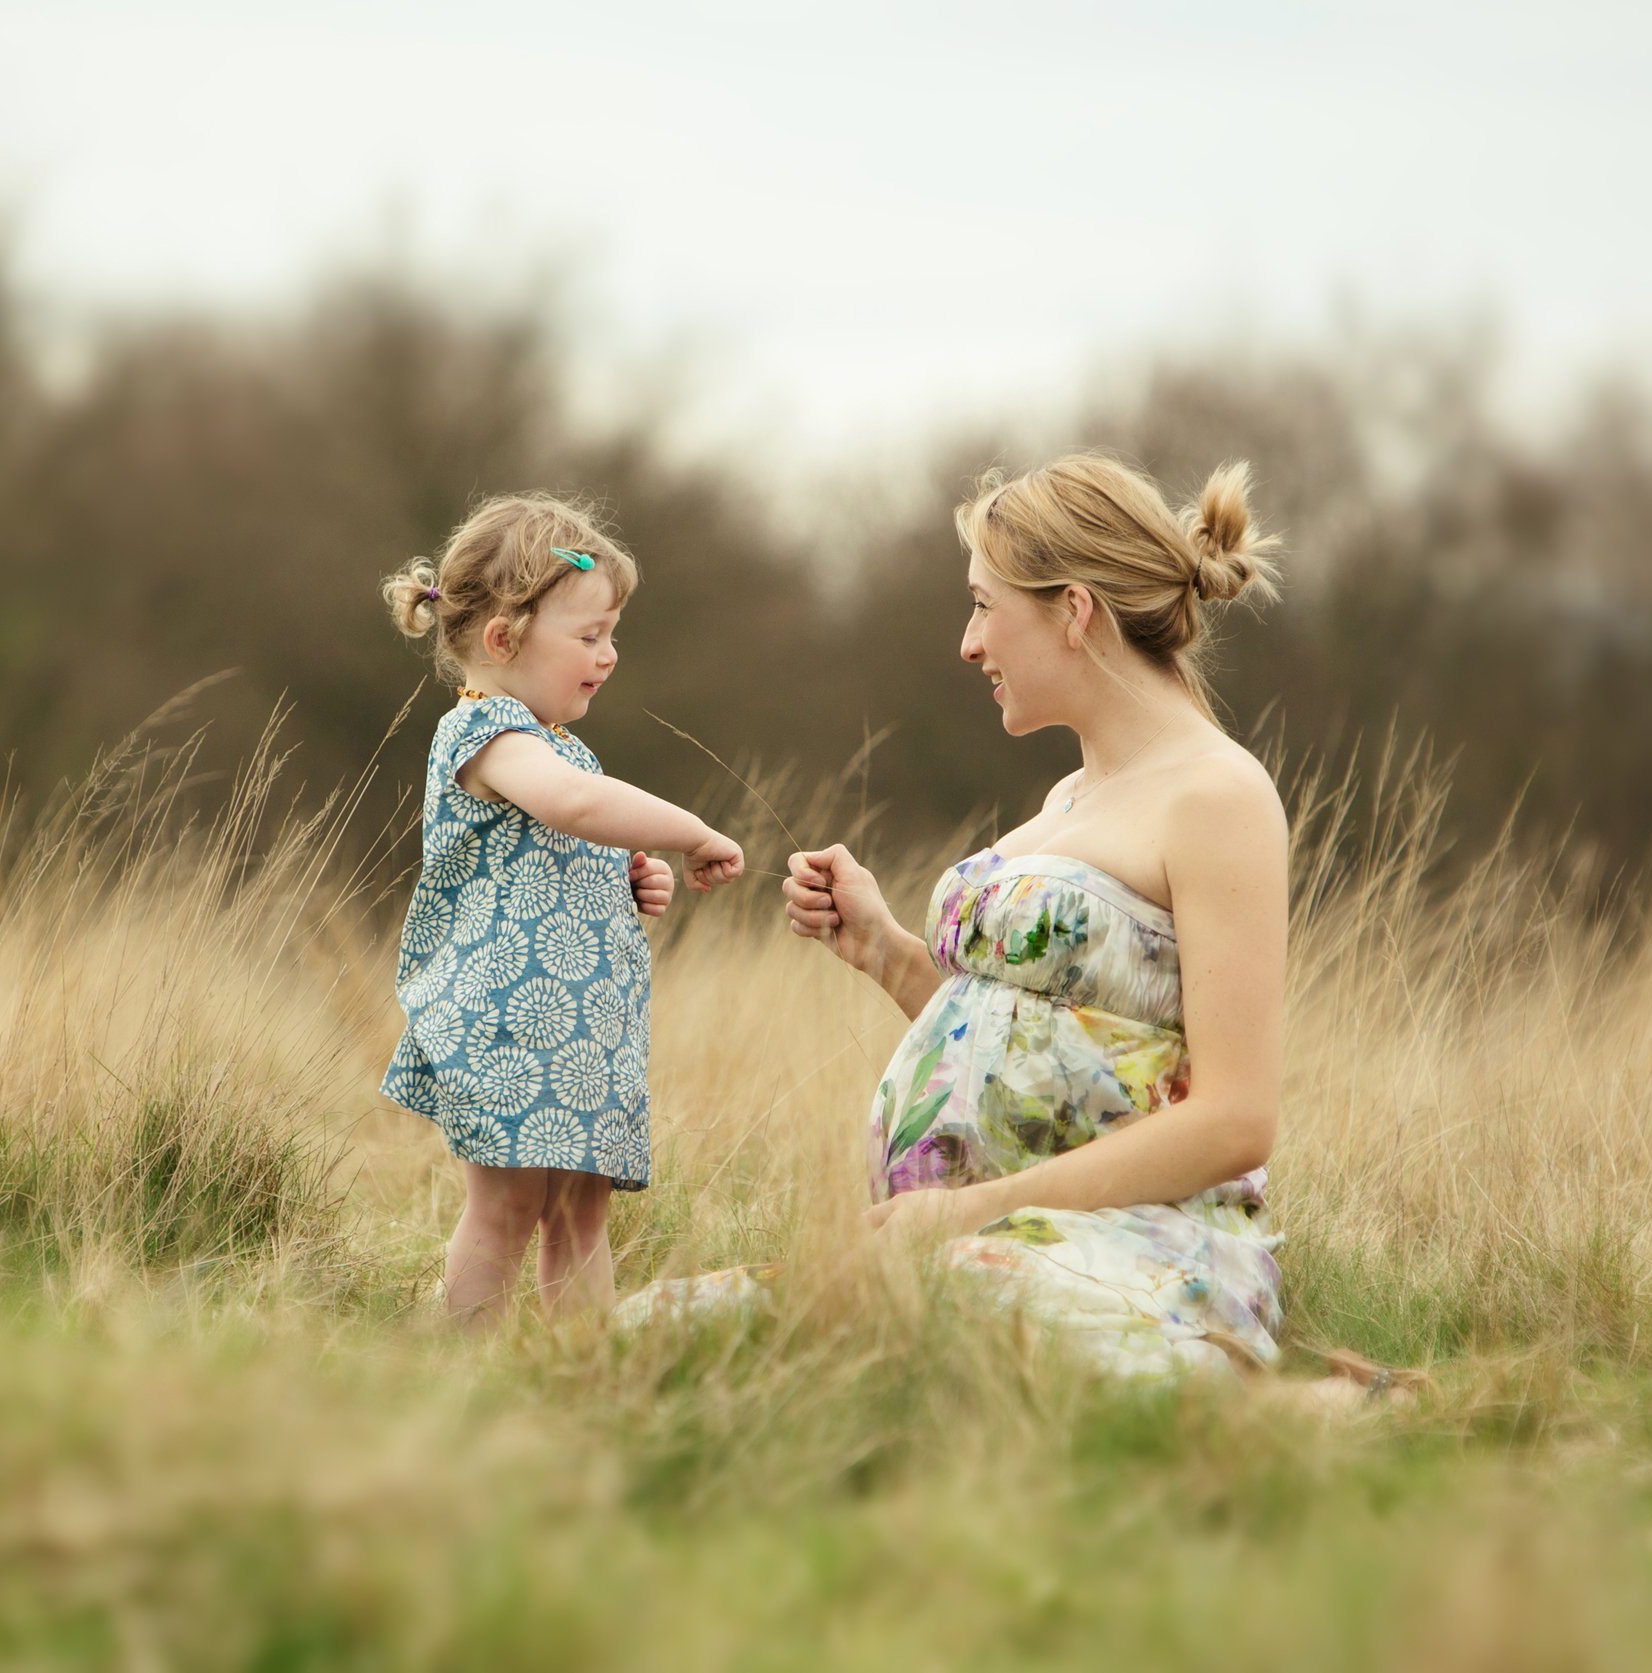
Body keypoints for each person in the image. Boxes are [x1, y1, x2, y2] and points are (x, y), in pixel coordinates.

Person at [623, 452, 1311, 1383]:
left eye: (986, 605)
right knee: (655, 1332)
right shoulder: (1075, 792)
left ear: (1074, 611)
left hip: (1130, 1253)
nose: (967, 643)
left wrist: (971, 1211)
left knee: (921, 1364)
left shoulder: (1217, 797)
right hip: (977, 1240)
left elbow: (1236, 1118)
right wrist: (885, 950)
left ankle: (1304, 1409)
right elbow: (1043, 1041)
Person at [380, 494, 744, 1324]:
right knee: (508, 1210)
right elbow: (574, 807)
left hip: (581, 1034)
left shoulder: (558, 745)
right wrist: (690, 831)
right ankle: (452, 1362)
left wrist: (626, 879)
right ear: (505, 638)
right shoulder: (487, 732)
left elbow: (565, 843)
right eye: (588, 636)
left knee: (582, 1215)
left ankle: (583, 1374)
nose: (608, 655)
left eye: (611, 634)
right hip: (513, 1027)